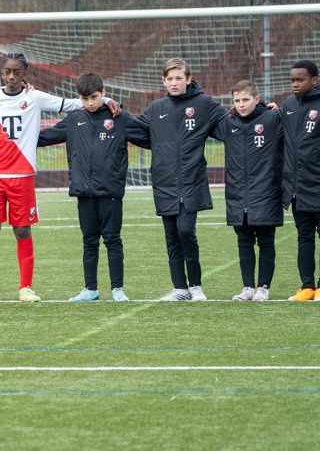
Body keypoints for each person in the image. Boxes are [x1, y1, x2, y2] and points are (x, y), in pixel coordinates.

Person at [0, 52, 120, 303]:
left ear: (25, 75)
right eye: (7, 72)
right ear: (1, 74)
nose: (11, 76)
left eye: (17, 72)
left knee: (22, 231)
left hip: (22, 177)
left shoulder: (34, 97)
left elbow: (72, 103)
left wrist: (107, 98)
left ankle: (25, 287)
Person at [37, 71, 150, 302]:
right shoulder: (74, 119)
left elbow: (149, 138)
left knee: (113, 240)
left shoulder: (119, 118)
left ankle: (118, 289)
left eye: (95, 97)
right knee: (89, 241)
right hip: (83, 193)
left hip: (110, 193)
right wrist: (15, 132)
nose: (90, 103)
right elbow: (43, 137)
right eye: (85, 98)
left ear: (104, 93)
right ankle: (90, 289)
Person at [131, 58, 229, 301]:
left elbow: (231, 124)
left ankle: (196, 286)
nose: (174, 83)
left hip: (192, 181)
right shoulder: (156, 108)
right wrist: (106, 108)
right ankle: (180, 289)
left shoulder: (204, 104)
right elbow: (133, 129)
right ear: (163, 81)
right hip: (164, 182)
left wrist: (262, 114)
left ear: (188, 79)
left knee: (185, 230)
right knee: (172, 236)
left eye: (178, 78)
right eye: (169, 79)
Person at [209, 80, 283, 301]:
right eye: (236, 101)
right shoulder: (227, 123)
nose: (241, 105)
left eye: (246, 100)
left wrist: (272, 106)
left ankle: (263, 288)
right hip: (237, 195)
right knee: (244, 243)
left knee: (266, 242)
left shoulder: (272, 119)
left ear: (257, 99)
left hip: (266, 193)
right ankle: (247, 287)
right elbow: (204, 117)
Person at [278, 60, 320, 301]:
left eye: (300, 79)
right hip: (297, 188)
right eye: (292, 79)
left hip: (317, 183)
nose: (294, 84)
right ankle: (307, 287)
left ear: (314, 80)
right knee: (304, 237)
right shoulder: (290, 104)